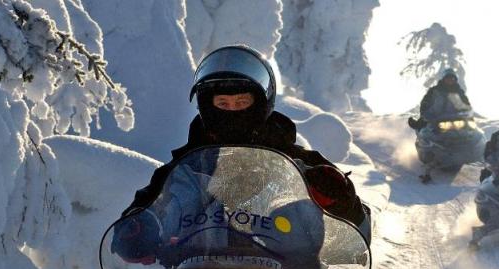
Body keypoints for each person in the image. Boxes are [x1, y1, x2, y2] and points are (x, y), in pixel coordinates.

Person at [120, 44, 369, 233]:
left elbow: (358, 230)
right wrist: (137, 231)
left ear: (260, 104)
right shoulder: (181, 169)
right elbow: (134, 222)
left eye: (241, 102)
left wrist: (340, 198)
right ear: (207, 106)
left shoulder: (301, 164)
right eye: (222, 103)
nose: (231, 111)